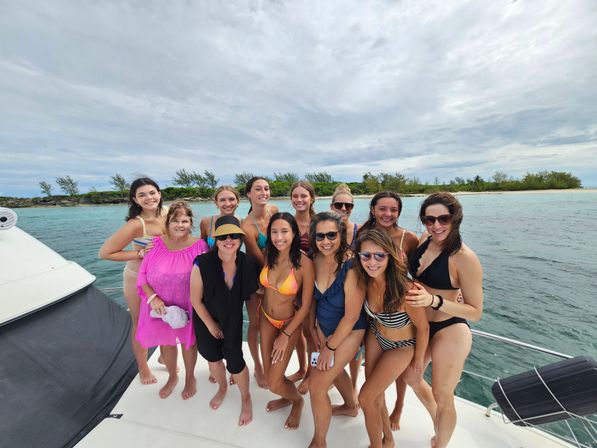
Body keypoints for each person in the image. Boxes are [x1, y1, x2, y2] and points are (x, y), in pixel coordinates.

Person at [405, 192, 483, 448]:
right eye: (429, 219)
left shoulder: (464, 258)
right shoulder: (426, 239)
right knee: (411, 377)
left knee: (443, 394)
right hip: (422, 324)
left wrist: (433, 301)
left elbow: (475, 311)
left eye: (443, 219)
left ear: (456, 218)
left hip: (450, 327)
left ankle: (441, 443)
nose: (435, 225)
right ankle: (437, 421)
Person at [354, 229, 429, 448]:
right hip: (377, 335)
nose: (372, 262)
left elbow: (423, 328)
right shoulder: (365, 281)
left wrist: (417, 360)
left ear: (389, 256)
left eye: (379, 255)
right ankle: (387, 438)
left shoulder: (407, 290)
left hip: (403, 346)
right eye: (366, 255)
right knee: (374, 395)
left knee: (365, 397)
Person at [357, 191, 419, 426]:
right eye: (382, 208)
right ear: (373, 209)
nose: (388, 214)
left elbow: (418, 275)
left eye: (393, 210)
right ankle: (377, 412)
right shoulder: (364, 234)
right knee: (373, 375)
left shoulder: (409, 238)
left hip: (400, 311)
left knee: (400, 372)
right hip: (373, 310)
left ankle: (399, 405)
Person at [136, 201, 208, 399]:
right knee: (165, 342)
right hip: (160, 305)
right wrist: (153, 298)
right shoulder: (155, 244)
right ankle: (172, 377)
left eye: (185, 221)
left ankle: (190, 378)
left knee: (188, 342)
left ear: (190, 223)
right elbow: (142, 276)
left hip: (188, 305)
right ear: (167, 222)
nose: (180, 225)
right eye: (175, 220)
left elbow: (208, 277)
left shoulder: (200, 246)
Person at [191, 215, 259, 426]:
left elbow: (257, 289)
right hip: (205, 319)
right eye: (223, 237)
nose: (229, 240)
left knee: (236, 362)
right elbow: (195, 299)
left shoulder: (246, 262)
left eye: (234, 236)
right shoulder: (202, 263)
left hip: (232, 319)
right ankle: (222, 387)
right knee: (213, 359)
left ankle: (246, 398)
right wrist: (211, 325)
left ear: (240, 238)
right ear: (216, 239)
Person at [307, 212, 367, 448]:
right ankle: (351, 407)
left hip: (350, 331)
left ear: (341, 235)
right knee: (335, 370)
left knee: (317, 385)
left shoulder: (352, 266)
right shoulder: (314, 259)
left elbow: (352, 315)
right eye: (320, 235)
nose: (326, 241)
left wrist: (329, 347)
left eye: (331, 235)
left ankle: (319, 440)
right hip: (323, 328)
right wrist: (313, 326)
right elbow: (314, 299)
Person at [99, 177, 166, 385]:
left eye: (152, 192)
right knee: (141, 324)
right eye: (142, 195)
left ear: (159, 194)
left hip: (163, 278)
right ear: (135, 200)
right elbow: (106, 253)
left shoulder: (168, 213)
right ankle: (143, 366)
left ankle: (164, 354)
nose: (149, 198)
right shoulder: (137, 224)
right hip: (137, 277)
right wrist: (138, 254)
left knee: (164, 317)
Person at [260, 212, 314, 430]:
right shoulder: (268, 254)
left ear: (294, 234)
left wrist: (286, 335)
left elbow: (306, 305)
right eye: (274, 231)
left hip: (288, 324)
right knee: (271, 376)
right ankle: (288, 396)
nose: (278, 237)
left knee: (273, 382)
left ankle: (297, 402)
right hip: (265, 318)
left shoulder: (304, 264)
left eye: (284, 231)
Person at [240, 176, 279, 389]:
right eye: (257, 189)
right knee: (255, 323)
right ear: (249, 194)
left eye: (266, 188)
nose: (263, 192)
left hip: (278, 273)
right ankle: (258, 367)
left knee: (274, 321)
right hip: (257, 276)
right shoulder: (246, 226)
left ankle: (273, 361)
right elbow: (259, 258)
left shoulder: (273, 210)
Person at [289, 180, 318, 393]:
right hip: (291, 284)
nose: (299, 200)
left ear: (312, 198)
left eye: (304, 196)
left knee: (310, 331)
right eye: (296, 196)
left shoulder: (319, 223)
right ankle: (301, 368)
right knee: (296, 329)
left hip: (314, 283)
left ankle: (311, 373)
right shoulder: (287, 222)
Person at [329, 183, 359, 248]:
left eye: (348, 206)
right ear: (332, 207)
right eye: (338, 205)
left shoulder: (361, 231)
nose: (343, 209)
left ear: (352, 208)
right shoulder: (323, 231)